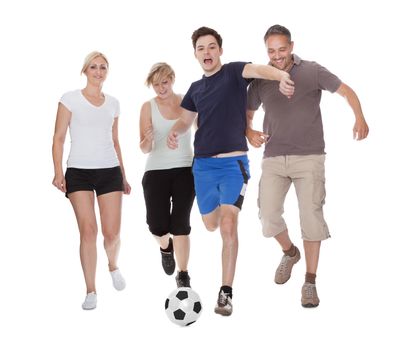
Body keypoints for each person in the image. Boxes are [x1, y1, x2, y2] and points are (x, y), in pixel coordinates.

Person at [167, 26, 294, 316]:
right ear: (195, 54)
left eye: (212, 47)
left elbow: (262, 69)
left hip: (233, 164)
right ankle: (223, 269)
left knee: (227, 225)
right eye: (201, 48)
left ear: (220, 50)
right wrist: (175, 132)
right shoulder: (195, 90)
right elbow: (185, 121)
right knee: (211, 224)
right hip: (202, 167)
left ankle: (226, 293)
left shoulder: (235, 72)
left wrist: (282, 75)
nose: (207, 52)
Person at [246, 25, 369, 308]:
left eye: (282, 49)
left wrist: (359, 117)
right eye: (271, 51)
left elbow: (346, 91)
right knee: (267, 217)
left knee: (311, 218)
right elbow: (247, 113)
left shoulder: (312, 71)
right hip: (274, 157)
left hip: (309, 157)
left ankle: (310, 281)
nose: (277, 56)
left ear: (291, 46)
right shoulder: (262, 79)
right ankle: (290, 252)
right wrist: (248, 131)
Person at [52, 51, 131, 310]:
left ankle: (113, 265)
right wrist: (58, 172)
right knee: (88, 231)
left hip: (109, 170)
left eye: (103, 67)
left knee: (112, 234)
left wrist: (124, 175)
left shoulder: (114, 104)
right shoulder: (69, 99)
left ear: (107, 72)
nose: (98, 71)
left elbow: (116, 140)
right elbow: (59, 138)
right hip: (79, 172)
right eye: (94, 67)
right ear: (85, 71)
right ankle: (90, 290)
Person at [140, 62, 195, 288]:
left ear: (172, 78)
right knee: (157, 225)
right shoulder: (147, 107)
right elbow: (143, 148)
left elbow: (202, 130)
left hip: (185, 169)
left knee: (180, 224)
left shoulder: (187, 101)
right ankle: (165, 248)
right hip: (155, 171)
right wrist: (147, 140)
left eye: (164, 82)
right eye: (156, 84)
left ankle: (183, 274)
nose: (161, 88)